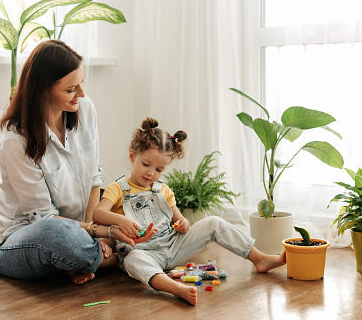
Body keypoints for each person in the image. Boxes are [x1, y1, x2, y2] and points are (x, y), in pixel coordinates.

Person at [0, 40, 156, 285]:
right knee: (60, 237)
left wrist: (93, 227)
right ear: (42, 89)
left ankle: (78, 261)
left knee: (128, 198)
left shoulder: (84, 108)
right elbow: (44, 219)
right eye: (71, 89)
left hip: (82, 228)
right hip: (23, 238)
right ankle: (125, 257)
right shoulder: (17, 140)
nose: (82, 94)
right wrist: (102, 232)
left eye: (82, 83)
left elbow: (95, 176)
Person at [93, 117, 286, 305]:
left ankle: (259, 259)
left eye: (159, 169)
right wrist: (121, 220)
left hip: (173, 247)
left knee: (213, 222)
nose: (151, 173)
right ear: (132, 156)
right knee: (131, 260)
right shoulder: (117, 188)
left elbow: (180, 221)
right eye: (146, 164)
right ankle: (175, 289)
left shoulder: (163, 190)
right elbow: (98, 214)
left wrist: (183, 224)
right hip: (143, 252)